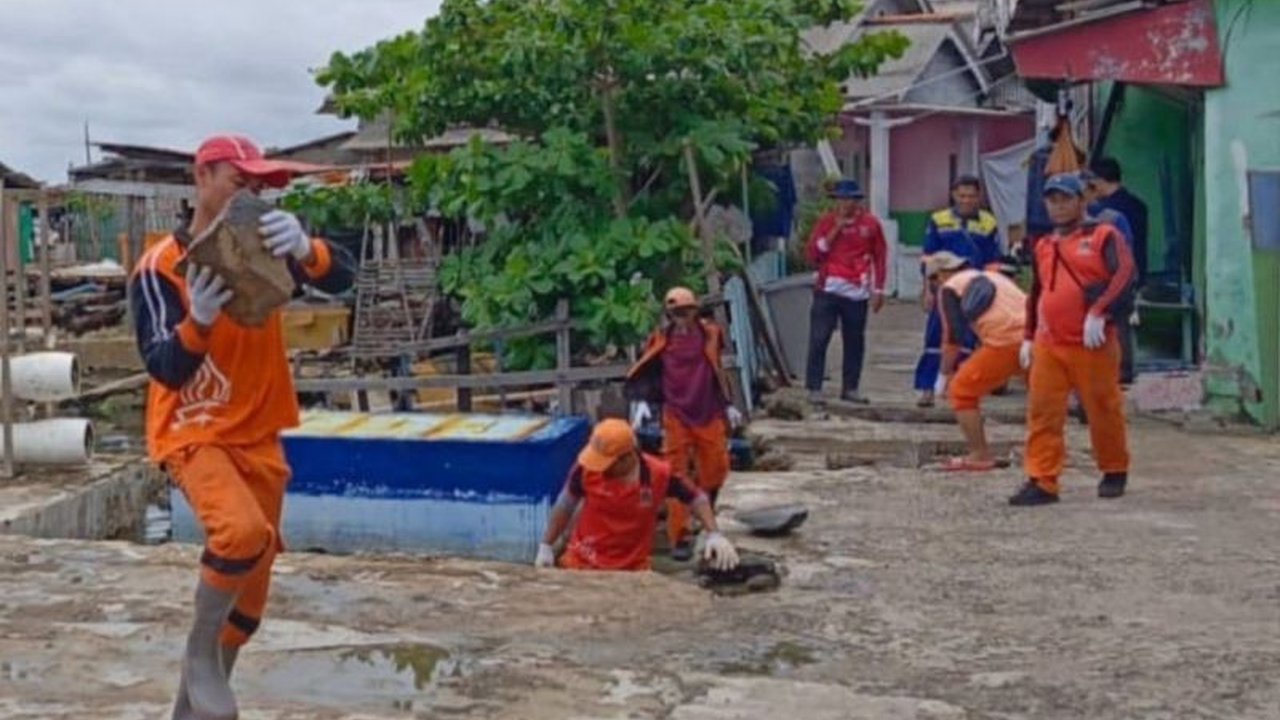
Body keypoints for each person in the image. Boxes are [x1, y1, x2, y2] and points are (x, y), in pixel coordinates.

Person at [131, 134, 356, 720]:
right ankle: (199, 652)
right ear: (202, 177)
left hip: (258, 429)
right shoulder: (160, 268)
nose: (251, 196)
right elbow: (163, 366)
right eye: (241, 182)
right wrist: (199, 322)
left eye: (259, 187)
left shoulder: (262, 250)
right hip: (194, 428)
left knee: (251, 597)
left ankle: (193, 709)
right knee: (237, 532)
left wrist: (309, 250)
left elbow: (342, 279)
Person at [1011, 174, 1135, 507]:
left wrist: (1099, 311)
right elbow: (1037, 293)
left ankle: (1114, 468)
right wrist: (1027, 336)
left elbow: (1125, 274)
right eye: (1052, 199)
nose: (1059, 205)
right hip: (1049, 344)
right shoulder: (1044, 245)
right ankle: (1043, 479)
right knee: (1042, 413)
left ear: (1082, 200)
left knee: (1102, 409)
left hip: (1092, 343)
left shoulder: (1104, 236)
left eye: (1065, 198)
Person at [626, 287, 742, 561]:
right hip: (675, 412)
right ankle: (680, 535)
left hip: (708, 409)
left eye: (687, 311)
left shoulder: (711, 334)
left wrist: (728, 403)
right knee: (675, 474)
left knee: (717, 466)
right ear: (670, 314)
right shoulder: (660, 340)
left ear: (695, 311)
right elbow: (649, 371)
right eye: (677, 312)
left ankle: (706, 510)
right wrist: (643, 401)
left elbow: (718, 369)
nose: (682, 317)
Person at [534, 419, 740, 572]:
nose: (599, 469)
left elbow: (696, 498)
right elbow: (565, 504)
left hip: (632, 569)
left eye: (606, 463)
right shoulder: (585, 469)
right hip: (582, 561)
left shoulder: (659, 474)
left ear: (627, 458)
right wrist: (546, 545)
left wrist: (714, 534)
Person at [926, 251, 1027, 471]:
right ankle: (1048, 452)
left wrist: (943, 376)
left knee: (962, 391)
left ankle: (979, 454)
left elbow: (953, 336)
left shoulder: (950, 288)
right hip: (1036, 338)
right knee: (1044, 398)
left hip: (1005, 340)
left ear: (939, 276)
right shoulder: (995, 277)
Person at [914, 176, 1001, 408]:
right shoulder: (939, 220)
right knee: (935, 339)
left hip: (973, 292)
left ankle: (960, 391)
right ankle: (927, 389)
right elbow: (927, 257)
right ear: (953, 195)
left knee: (968, 341)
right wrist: (927, 290)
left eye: (971, 196)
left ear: (979, 196)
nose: (966, 200)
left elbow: (993, 261)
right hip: (943, 289)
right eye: (962, 195)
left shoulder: (989, 224)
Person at [803, 178, 887, 405]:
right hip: (827, 289)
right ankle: (814, 387)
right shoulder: (826, 222)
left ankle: (850, 388)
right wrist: (836, 229)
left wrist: (878, 288)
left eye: (849, 199)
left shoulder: (870, 224)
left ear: (857, 201)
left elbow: (880, 256)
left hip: (856, 292)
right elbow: (813, 254)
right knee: (819, 338)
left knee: (854, 341)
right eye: (841, 199)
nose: (845, 204)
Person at [1082, 169, 1140, 386]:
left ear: (1092, 192)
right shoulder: (1069, 225)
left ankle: (1122, 372)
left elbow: (1126, 254)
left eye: (1083, 192)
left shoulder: (1112, 219)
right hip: (1087, 286)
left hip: (1114, 281)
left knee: (1119, 327)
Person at [1089, 157, 1149, 283]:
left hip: (1113, 277)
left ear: (1098, 181)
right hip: (1136, 274)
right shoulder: (1139, 205)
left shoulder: (1103, 213)